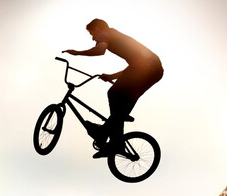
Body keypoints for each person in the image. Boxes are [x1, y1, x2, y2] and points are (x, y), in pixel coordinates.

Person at [63, 19, 164, 158]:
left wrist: (77, 53)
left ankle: (104, 131)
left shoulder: (106, 34)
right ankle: (116, 143)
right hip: (153, 71)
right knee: (119, 109)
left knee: (114, 93)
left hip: (147, 69)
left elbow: (100, 50)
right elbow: (133, 67)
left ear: (98, 28)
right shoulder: (117, 36)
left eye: (92, 34)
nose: (93, 38)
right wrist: (111, 76)